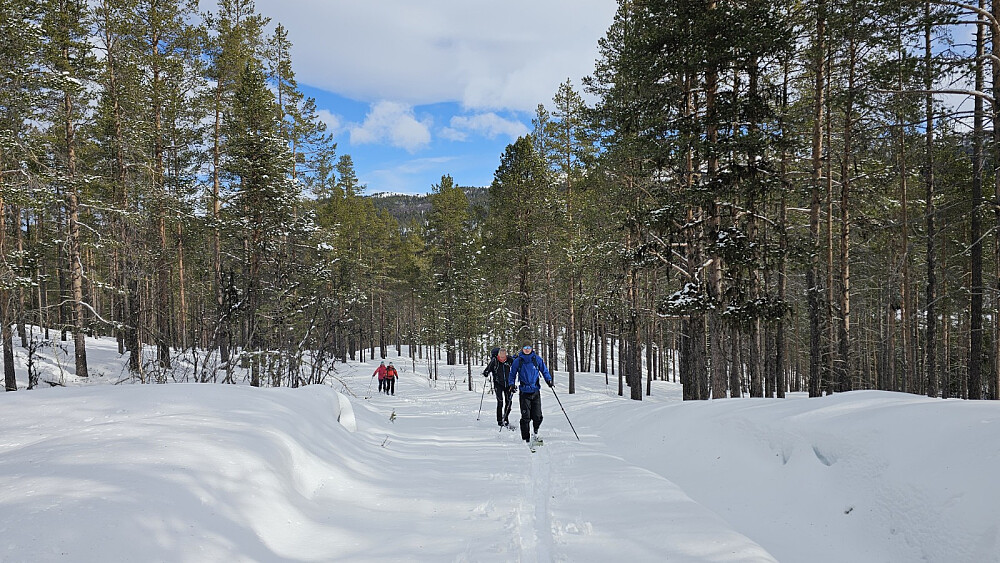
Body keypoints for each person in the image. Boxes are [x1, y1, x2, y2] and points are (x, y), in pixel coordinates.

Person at [508, 344, 553, 445]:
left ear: (532, 349)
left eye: (528, 348)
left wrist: (548, 380)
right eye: (525, 348)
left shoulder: (537, 359)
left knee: (538, 416)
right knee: (525, 417)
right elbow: (512, 374)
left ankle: (536, 432)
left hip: (535, 391)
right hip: (524, 392)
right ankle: (526, 438)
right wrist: (511, 384)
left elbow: (544, 370)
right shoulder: (518, 361)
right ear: (522, 349)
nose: (527, 350)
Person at [483, 347, 514, 427]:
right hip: (498, 384)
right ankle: (499, 421)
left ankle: (506, 418)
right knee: (500, 402)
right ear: (498, 355)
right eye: (501, 356)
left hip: (508, 384)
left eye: (504, 356)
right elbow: (487, 370)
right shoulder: (494, 361)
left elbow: (516, 366)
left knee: (509, 402)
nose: (503, 358)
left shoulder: (509, 360)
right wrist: (486, 373)